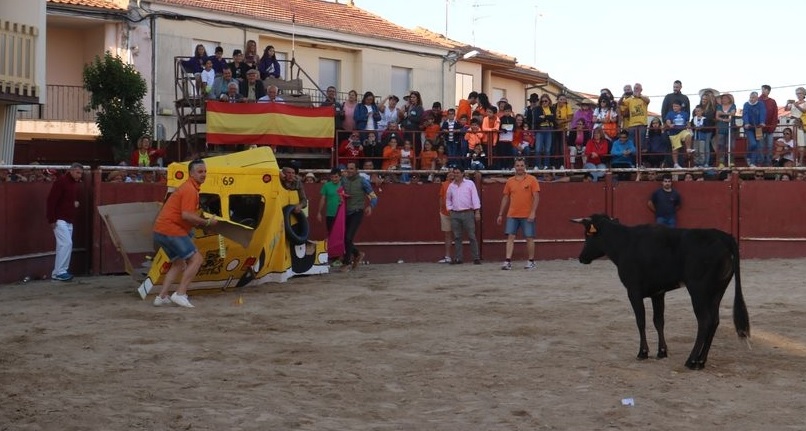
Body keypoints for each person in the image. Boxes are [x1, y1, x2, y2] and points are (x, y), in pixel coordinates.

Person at [152, 159, 217, 308]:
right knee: (197, 259)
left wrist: (201, 223)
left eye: (205, 171)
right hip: (172, 230)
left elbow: (186, 217)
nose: (204, 174)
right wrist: (207, 223)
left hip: (160, 231)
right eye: (200, 172)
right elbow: (186, 215)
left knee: (178, 263)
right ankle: (180, 293)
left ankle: (161, 296)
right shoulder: (190, 189)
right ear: (191, 173)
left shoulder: (187, 188)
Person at [497, 158, 540, 270]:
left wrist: (533, 212)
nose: (520, 167)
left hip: (527, 214)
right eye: (518, 165)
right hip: (512, 214)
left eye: (521, 165)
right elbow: (505, 197)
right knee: (510, 237)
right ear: (514, 167)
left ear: (525, 166)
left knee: (529, 237)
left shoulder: (532, 179)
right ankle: (507, 261)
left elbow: (536, 197)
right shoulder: (510, 181)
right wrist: (500, 214)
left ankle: (531, 261)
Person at [46, 163, 83, 282]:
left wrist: (74, 203)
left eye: (81, 173)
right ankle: (60, 271)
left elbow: (66, 200)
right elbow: (51, 200)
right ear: (71, 171)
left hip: (68, 220)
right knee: (66, 244)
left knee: (63, 245)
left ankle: (58, 272)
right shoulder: (61, 182)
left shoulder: (73, 184)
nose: (79, 175)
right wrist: (51, 219)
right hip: (60, 219)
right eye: (77, 172)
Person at [340, 161, 378, 271]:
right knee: (344, 238)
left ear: (356, 170)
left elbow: (374, 197)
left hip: (357, 212)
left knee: (348, 237)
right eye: (348, 168)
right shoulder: (343, 180)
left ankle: (347, 262)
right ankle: (357, 254)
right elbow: (338, 191)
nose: (349, 170)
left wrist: (370, 206)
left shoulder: (363, 181)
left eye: (351, 168)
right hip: (345, 212)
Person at [445, 165, 481, 264]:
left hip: (468, 212)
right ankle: (458, 258)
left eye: (457, 173)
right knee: (457, 237)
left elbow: (475, 197)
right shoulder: (451, 186)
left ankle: (476, 257)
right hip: (455, 214)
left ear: (462, 174)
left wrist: (477, 211)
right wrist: (450, 209)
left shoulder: (470, 184)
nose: (455, 175)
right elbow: (448, 199)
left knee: (471, 236)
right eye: (454, 173)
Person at [665, 101, 693, 168]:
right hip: (673, 132)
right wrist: (670, 124)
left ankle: (688, 149)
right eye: (674, 106)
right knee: (675, 148)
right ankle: (676, 164)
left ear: (680, 107)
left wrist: (689, 126)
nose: (674, 107)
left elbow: (687, 122)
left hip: (682, 130)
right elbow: (667, 121)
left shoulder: (685, 114)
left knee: (688, 134)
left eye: (676, 106)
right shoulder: (670, 113)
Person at [742, 92, 767, 167]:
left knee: (758, 145)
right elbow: (745, 114)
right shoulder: (746, 104)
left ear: (757, 98)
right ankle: (748, 155)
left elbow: (763, 113)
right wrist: (746, 123)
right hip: (749, 127)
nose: (752, 99)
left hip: (758, 127)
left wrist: (762, 122)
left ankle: (752, 162)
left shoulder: (760, 104)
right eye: (751, 97)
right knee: (753, 143)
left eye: (753, 97)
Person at [437, 169, 455, 263]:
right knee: (448, 235)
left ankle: (457, 256)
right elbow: (441, 198)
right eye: (449, 174)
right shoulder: (444, 184)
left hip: (456, 212)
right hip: (446, 212)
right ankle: (448, 256)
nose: (451, 175)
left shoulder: (458, 184)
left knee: (456, 234)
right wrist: (441, 209)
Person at [759, 85, 779, 167]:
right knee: (760, 146)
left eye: (764, 90)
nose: (762, 91)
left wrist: (772, 127)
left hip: (770, 129)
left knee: (770, 146)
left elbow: (775, 115)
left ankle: (768, 162)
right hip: (759, 128)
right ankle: (761, 162)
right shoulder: (758, 100)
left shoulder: (772, 102)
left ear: (768, 91)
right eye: (762, 90)